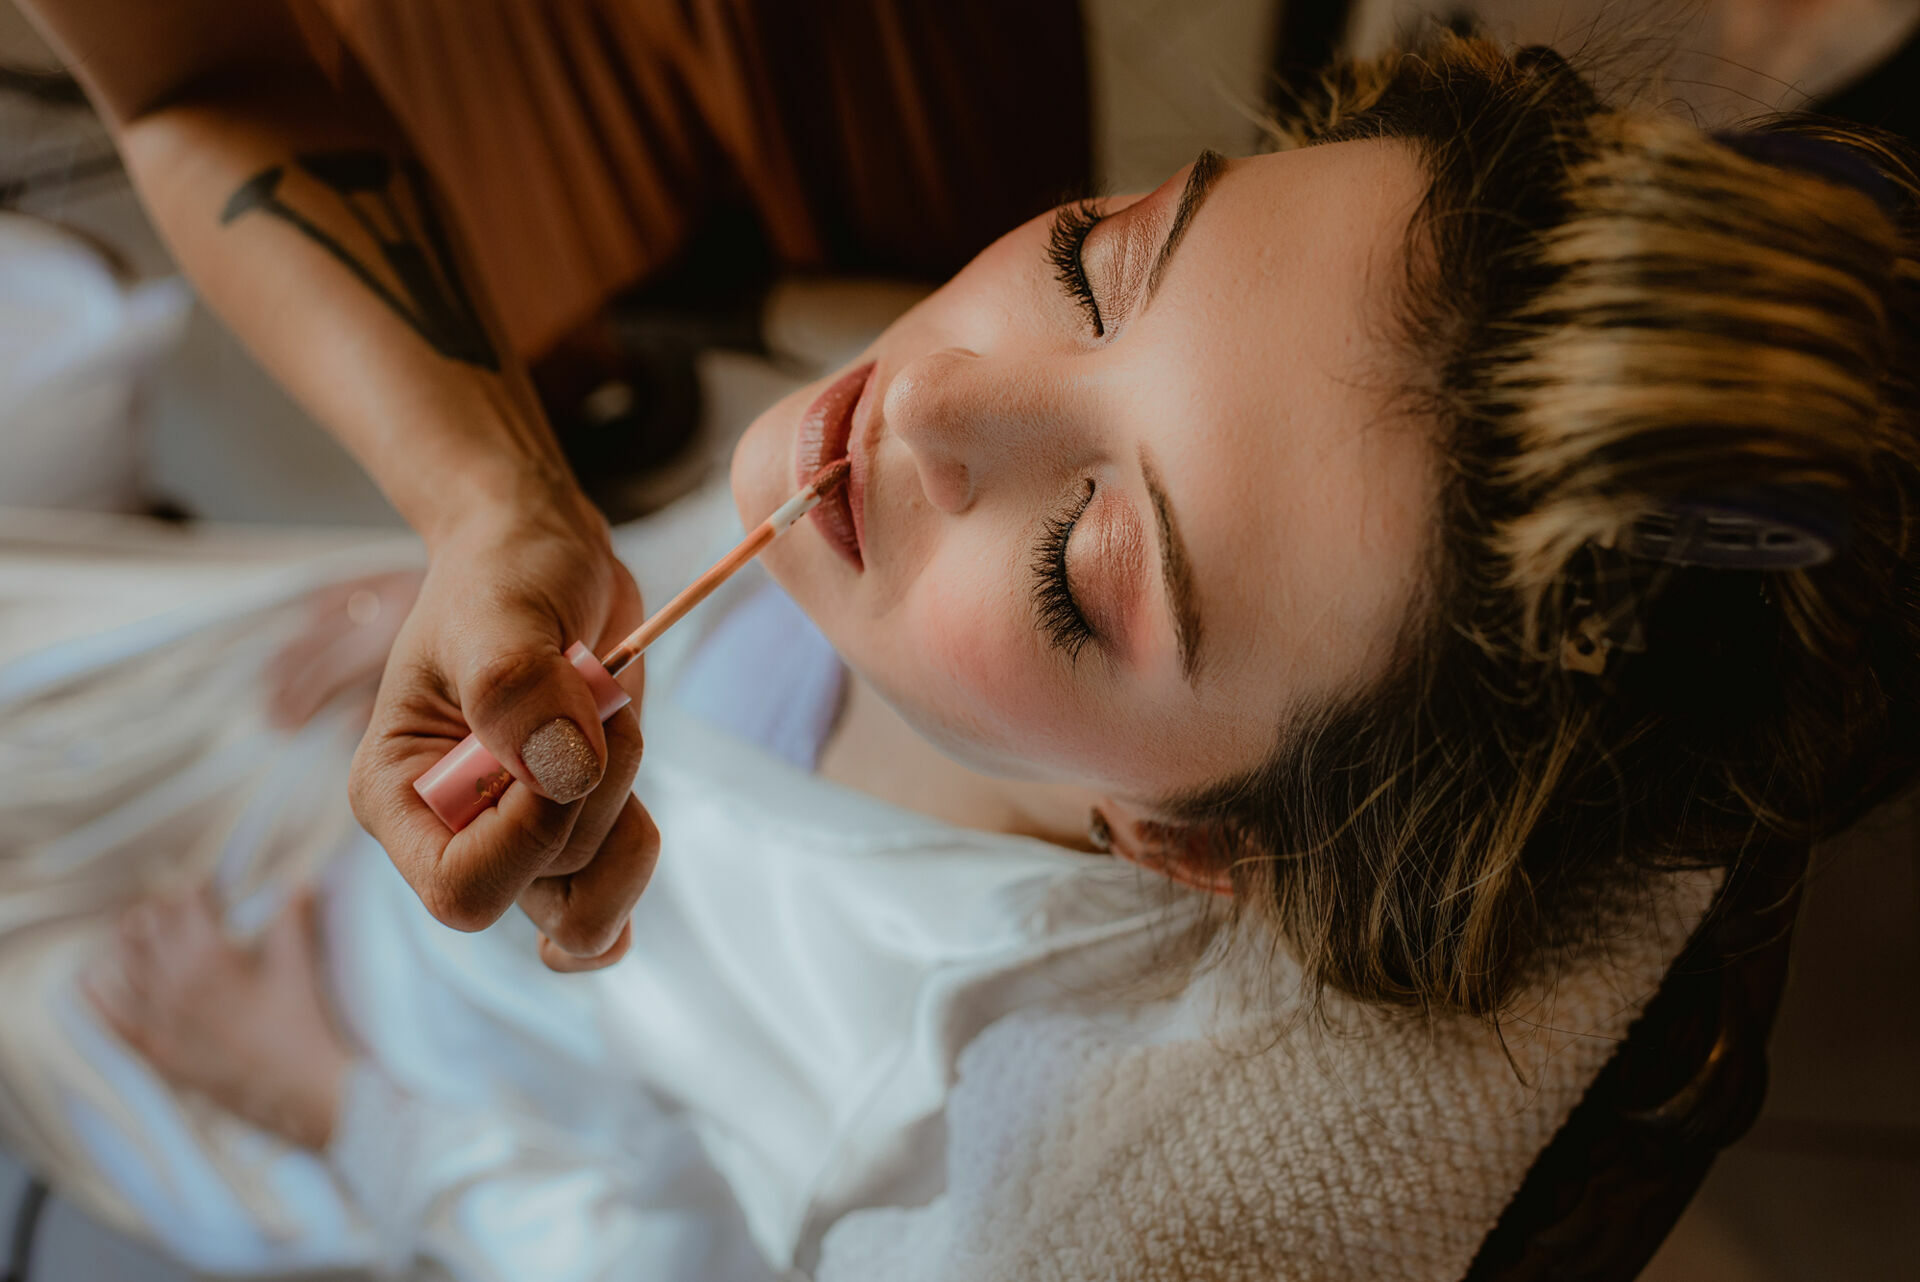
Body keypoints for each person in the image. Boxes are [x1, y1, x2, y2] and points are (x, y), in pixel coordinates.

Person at [3, 6, 1918, 1279]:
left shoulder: (943, 1110)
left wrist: (329, 1096)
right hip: (305, 732)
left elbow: (627, 1244)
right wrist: (471, 529)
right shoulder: (889, 530)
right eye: (1095, 263)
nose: (919, 404)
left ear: (1188, 836)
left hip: (351, 1033)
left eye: (1083, 567)